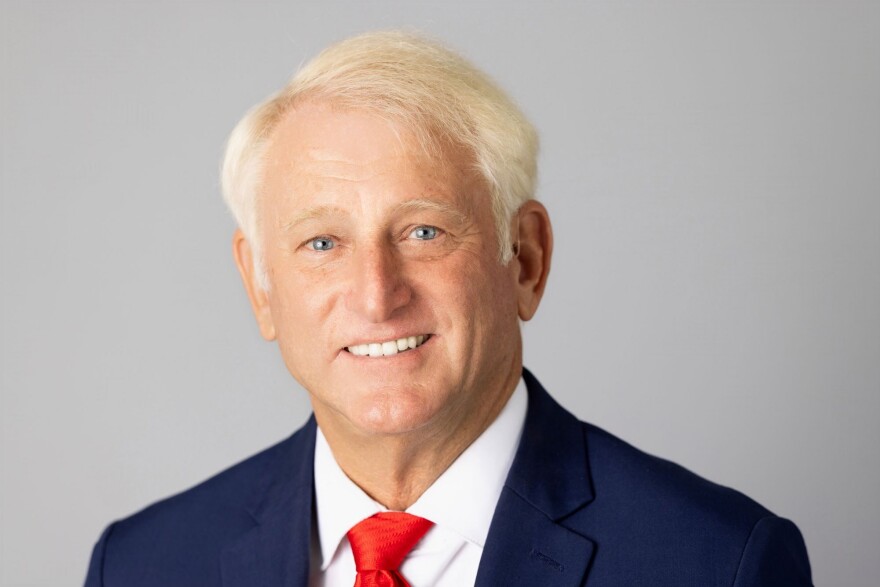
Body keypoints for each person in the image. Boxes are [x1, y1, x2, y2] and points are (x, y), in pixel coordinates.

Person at [84, 31, 812, 586]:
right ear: (260, 286)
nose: (377, 294)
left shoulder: (719, 563)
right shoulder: (142, 566)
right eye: (322, 242)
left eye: (424, 232)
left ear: (525, 259)